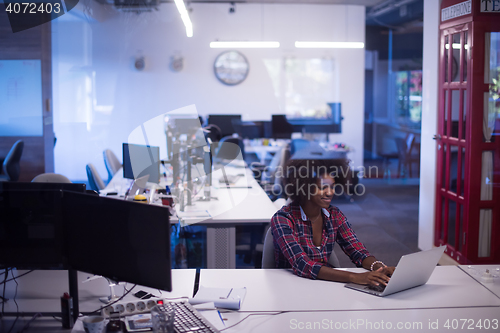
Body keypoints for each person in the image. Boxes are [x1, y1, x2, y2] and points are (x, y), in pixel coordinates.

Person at [271, 158, 395, 286]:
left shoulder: (334, 215)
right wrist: (355, 277)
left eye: (332, 186)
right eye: (322, 187)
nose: (330, 193)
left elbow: (358, 251)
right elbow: (302, 264)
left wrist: (379, 267)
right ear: (304, 188)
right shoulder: (283, 219)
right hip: (290, 287)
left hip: (324, 285)